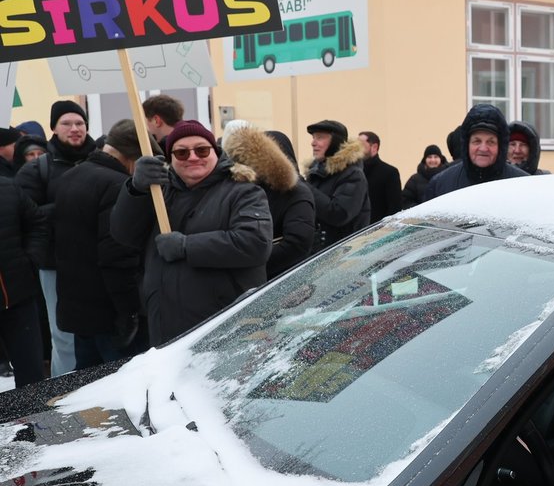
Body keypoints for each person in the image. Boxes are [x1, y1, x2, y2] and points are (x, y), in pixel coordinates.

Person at [111, 120, 272, 347]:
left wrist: (187, 246)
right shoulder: (159, 194)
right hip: (164, 325)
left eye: (202, 150)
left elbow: (255, 243)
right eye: (182, 153)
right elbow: (123, 234)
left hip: (223, 325)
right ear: (171, 159)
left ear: (215, 153)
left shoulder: (244, 192)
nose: (193, 157)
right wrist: (135, 190)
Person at [54, 120, 155, 369]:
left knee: (88, 394)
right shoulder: (117, 185)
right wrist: (129, 312)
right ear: (133, 158)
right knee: (122, 392)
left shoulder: (72, 175)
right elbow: (117, 256)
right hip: (110, 314)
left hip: (79, 310)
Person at [16, 99, 95, 376]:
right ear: (53, 127)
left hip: (97, 262)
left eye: (80, 123)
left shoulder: (100, 160)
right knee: (63, 334)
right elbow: (27, 216)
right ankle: (63, 392)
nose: (74, 129)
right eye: (66, 123)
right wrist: (71, 208)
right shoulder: (36, 169)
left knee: (98, 331)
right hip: (55, 265)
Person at [222, 122, 316, 279]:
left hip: (282, 281)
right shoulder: (248, 188)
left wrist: (249, 264)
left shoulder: (296, 192)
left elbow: (297, 244)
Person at [424, 104, 529, 201]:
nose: (483, 148)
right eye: (477, 141)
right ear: (467, 144)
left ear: (500, 146)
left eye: (490, 142)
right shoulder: (440, 185)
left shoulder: (523, 185)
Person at [0, 173, 46, 388]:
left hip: (18, 295)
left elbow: (37, 224)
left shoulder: (8, 187)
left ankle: (33, 421)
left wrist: (30, 260)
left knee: (31, 375)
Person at [302, 119, 370, 254]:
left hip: (342, 257)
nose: (313, 143)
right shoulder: (315, 172)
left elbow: (339, 214)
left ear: (336, 142)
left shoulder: (353, 175)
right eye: (313, 137)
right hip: (319, 254)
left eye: (320, 137)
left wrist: (305, 188)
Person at [357, 130, 403, 223]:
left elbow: (394, 208)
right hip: (355, 232)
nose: (356, 149)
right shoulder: (354, 172)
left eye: (360, 145)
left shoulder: (389, 172)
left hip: (378, 231)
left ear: (374, 147)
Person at [400, 144, 447, 209]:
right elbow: (405, 200)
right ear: (425, 159)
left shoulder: (448, 177)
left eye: (436, 157)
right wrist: (420, 210)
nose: (433, 160)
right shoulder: (414, 179)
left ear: (440, 159)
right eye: (429, 157)